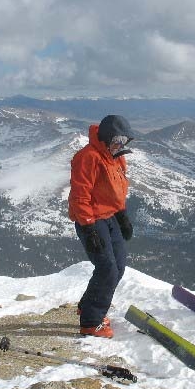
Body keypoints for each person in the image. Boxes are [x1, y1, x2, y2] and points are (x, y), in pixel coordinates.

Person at [68, 115, 135, 339]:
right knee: (107, 269)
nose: (120, 145)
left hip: (111, 217)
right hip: (92, 219)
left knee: (119, 267)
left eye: (124, 141)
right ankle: (91, 322)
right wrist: (88, 228)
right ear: (106, 138)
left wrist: (122, 215)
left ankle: (88, 305)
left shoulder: (116, 157)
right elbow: (80, 195)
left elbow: (117, 189)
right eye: (117, 140)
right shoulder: (88, 158)